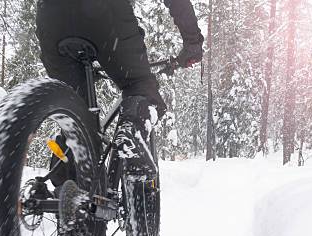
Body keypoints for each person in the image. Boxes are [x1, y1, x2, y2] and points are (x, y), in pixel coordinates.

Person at [36, 0, 203, 181]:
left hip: (51, 20)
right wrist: (192, 43)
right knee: (140, 86)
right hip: (106, 15)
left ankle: (67, 174)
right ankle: (130, 136)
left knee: (76, 115)